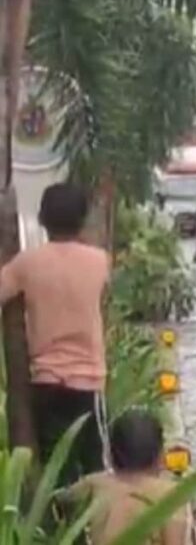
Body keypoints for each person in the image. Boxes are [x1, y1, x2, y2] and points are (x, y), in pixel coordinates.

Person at [0, 182, 110, 485]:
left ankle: (62, 528)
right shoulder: (99, 261)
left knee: (56, 472)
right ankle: (96, 530)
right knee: (96, 468)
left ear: (42, 219)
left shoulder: (26, 264)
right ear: (83, 218)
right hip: (88, 382)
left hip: (46, 381)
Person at [62, 410, 191, 545]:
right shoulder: (172, 495)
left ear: (111, 456)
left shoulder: (95, 484)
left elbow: (59, 501)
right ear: (160, 456)